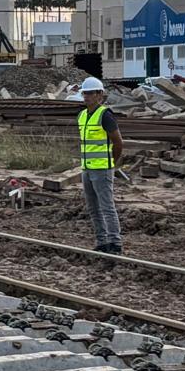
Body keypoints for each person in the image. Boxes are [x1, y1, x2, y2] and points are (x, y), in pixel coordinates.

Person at [77, 76, 124, 254]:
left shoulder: (105, 115)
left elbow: (118, 143)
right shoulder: (82, 116)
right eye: (85, 93)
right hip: (87, 168)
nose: (87, 96)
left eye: (90, 93)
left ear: (100, 94)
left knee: (107, 207)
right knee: (93, 208)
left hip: (102, 169)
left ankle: (115, 243)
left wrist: (111, 163)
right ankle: (102, 241)